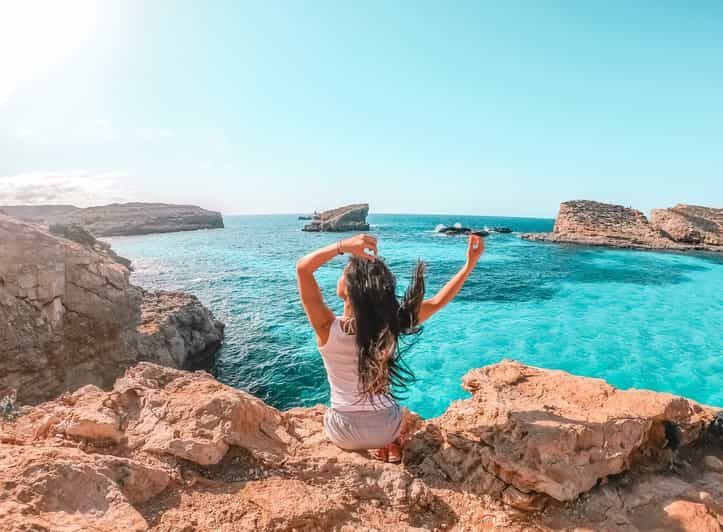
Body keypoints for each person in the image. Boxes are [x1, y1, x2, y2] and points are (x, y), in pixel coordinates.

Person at [296, 233, 484, 462]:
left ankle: (382, 444)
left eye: (342, 275)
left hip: (343, 434)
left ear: (348, 289)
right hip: (386, 427)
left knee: (331, 411)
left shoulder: (326, 327)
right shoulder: (392, 324)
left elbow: (303, 269)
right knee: (394, 410)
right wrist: (469, 264)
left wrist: (342, 246)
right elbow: (438, 302)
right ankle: (391, 443)